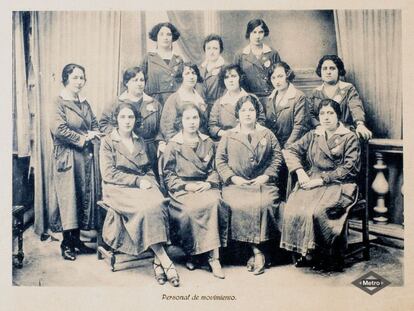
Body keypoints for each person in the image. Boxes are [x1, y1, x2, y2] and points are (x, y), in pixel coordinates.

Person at [99, 102, 179, 287]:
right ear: (116, 119)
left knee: (159, 202)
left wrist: (152, 184)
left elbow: (147, 168)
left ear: (136, 119)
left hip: (141, 184)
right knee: (146, 209)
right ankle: (164, 259)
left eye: (131, 117)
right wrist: (136, 181)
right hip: (117, 188)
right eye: (123, 117)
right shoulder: (108, 141)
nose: (127, 121)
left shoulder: (139, 140)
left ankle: (158, 263)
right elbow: (108, 174)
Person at [280, 99, 361, 272]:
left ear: (338, 115)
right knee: (294, 206)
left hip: (339, 184)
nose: (326, 117)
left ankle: (328, 254)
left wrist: (322, 180)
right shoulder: (313, 134)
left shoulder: (349, 136)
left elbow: (350, 168)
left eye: (330, 113)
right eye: (322, 113)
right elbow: (290, 151)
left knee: (318, 211)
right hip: (313, 179)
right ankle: (308, 251)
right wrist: (300, 171)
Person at [216, 95, 283, 275]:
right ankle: (256, 251)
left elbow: (277, 158)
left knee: (266, 204)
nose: (247, 114)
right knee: (235, 205)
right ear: (237, 114)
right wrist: (233, 178)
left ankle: (257, 251)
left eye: (251, 110)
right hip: (236, 185)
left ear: (257, 113)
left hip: (263, 184)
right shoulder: (229, 135)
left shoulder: (267, 134)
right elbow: (220, 161)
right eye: (243, 110)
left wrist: (266, 176)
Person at [163, 103, 229, 279]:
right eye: (187, 118)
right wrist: (185, 186)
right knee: (190, 210)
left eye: (195, 117)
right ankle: (193, 253)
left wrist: (209, 183)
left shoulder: (208, 142)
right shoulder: (174, 144)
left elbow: (216, 169)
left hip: (205, 186)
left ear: (200, 120)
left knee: (214, 203)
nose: (192, 122)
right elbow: (168, 174)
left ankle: (214, 258)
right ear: (180, 121)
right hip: (182, 189)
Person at [49, 63, 101, 261]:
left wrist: (92, 133)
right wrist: (83, 138)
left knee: (81, 197)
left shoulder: (84, 102)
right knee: (68, 199)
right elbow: (59, 129)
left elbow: (94, 124)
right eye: (75, 78)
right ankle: (66, 244)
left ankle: (77, 241)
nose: (79, 82)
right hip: (68, 155)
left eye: (82, 78)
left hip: (85, 157)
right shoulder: (58, 102)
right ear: (66, 80)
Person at [99, 66, 163, 177]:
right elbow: (103, 124)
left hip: (151, 149)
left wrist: (161, 142)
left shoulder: (155, 104)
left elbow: (162, 128)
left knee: (152, 182)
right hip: (126, 151)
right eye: (135, 80)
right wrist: (121, 137)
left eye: (142, 80)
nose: (139, 83)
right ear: (126, 83)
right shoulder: (115, 103)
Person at [265, 62, 309, 199]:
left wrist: (287, 146)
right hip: (275, 143)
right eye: (273, 78)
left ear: (287, 76)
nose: (277, 81)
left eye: (280, 76)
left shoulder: (298, 96)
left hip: (292, 143)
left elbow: (299, 126)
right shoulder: (270, 98)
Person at [309, 54, 372, 140]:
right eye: (324, 69)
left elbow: (356, 107)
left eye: (332, 68)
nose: (328, 72)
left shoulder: (348, 88)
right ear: (320, 71)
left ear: (339, 70)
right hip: (323, 132)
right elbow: (310, 114)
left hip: (344, 132)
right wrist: (318, 126)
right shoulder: (316, 92)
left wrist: (360, 124)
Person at [209, 64, 266, 141]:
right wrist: (227, 134)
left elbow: (261, 120)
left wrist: (247, 132)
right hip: (227, 140)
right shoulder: (219, 103)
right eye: (226, 77)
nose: (230, 80)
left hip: (250, 140)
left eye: (233, 76)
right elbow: (212, 127)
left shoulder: (252, 98)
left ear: (240, 78)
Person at [234, 18, 281, 106]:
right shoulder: (240, 55)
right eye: (254, 32)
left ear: (265, 33)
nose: (257, 36)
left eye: (261, 32)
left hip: (270, 98)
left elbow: (280, 75)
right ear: (249, 33)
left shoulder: (272, 53)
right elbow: (235, 79)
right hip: (248, 99)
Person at [160, 62, 208, 143]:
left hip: (200, 143)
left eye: (194, 73)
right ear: (181, 77)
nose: (191, 77)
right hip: (181, 144)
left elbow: (205, 124)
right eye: (187, 73)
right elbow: (168, 128)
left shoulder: (200, 98)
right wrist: (179, 144)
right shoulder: (174, 99)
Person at [141, 22, 184, 106]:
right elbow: (141, 79)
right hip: (153, 100)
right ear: (156, 37)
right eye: (161, 34)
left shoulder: (178, 59)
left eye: (168, 34)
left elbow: (183, 82)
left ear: (172, 37)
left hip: (174, 100)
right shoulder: (149, 58)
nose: (165, 38)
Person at [198, 34, 227, 115]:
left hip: (219, 109)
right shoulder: (200, 69)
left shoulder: (225, 69)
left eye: (215, 48)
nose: (212, 51)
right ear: (205, 50)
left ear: (220, 50)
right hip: (202, 109)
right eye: (208, 48)